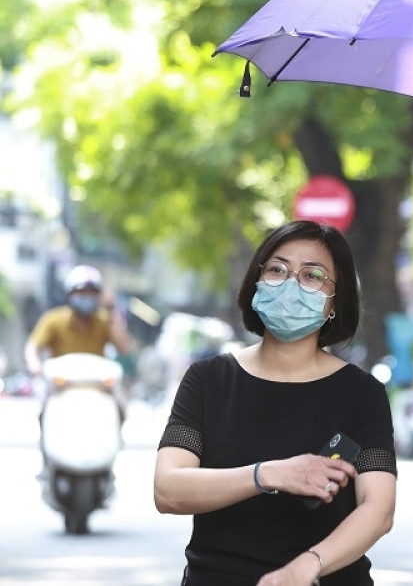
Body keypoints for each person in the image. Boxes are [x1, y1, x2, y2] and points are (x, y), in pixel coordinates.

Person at [154, 220, 396, 586]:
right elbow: (168, 490)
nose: (290, 283)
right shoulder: (208, 379)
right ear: (257, 282)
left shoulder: (362, 393)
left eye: (312, 276)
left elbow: (378, 509)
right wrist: (268, 474)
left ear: (334, 302)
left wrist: (308, 566)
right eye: (277, 269)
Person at [24, 264, 133, 375]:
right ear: (70, 293)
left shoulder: (105, 321)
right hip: (61, 384)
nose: (87, 296)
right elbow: (33, 346)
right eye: (82, 292)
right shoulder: (53, 320)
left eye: (92, 292)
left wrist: (112, 311)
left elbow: (124, 349)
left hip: (96, 384)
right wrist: (34, 364)